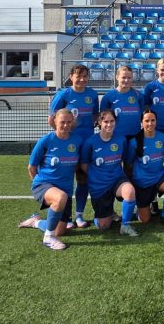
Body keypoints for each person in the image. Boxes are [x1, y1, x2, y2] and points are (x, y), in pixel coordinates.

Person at [18, 109, 82, 250]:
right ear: (54, 121)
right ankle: (48, 238)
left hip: (65, 188)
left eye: (69, 122)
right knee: (60, 197)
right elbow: (31, 167)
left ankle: (36, 222)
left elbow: (78, 164)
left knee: (60, 230)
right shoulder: (46, 141)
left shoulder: (77, 140)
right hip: (44, 184)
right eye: (62, 122)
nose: (66, 125)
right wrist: (39, 186)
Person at [48, 64, 99, 229]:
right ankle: (66, 216)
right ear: (71, 77)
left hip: (86, 143)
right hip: (68, 145)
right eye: (79, 76)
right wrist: (63, 136)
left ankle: (79, 214)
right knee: (67, 179)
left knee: (83, 179)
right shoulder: (63, 94)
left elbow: (95, 116)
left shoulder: (92, 94)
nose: (82, 80)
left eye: (85, 76)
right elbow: (52, 119)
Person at [80, 110, 139, 236]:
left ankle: (125, 225)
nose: (109, 124)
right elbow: (84, 165)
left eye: (112, 121)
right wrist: (97, 176)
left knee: (129, 191)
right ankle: (107, 213)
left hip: (117, 179)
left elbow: (123, 159)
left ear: (116, 122)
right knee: (104, 226)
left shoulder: (121, 139)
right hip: (99, 185)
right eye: (106, 121)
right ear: (100, 122)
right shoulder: (90, 142)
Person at [126, 110, 164, 226]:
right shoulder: (134, 142)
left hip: (159, 176)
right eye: (147, 121)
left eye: (153, 120)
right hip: (142, 181)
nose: (150, 123)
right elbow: (129, 164)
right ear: (141, 122)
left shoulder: (163, 138)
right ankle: (140, 206)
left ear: (156, 121)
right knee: (145, 220)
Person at [100, 65, 144, 140]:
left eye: (129, 78)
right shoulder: (108, 97)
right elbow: (103, 119)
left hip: (135, 136)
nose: (126, 80)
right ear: (117, 77)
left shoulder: (139, 95)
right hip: (115, 137)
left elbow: (142, 114)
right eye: (123, 77)